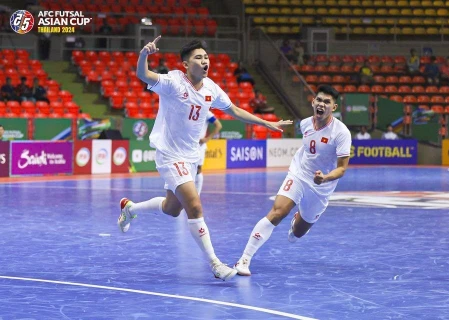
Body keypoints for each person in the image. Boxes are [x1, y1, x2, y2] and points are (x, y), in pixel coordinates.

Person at [117, 37, 292, 281]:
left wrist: (265, 122)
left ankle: (130, 208)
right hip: (169, 154)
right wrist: (144, 54)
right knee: (195, 207)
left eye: (206, 57)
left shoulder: (211, 88)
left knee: (172, 209)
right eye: (198, 58)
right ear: (186, 65)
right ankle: (215, 263)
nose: (204, 61)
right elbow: (144, 75)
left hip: (189, 157)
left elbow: (235, 110)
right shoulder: (173, 82)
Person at [234, 85, 351, 276]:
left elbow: (342, 168)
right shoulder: (305, 124)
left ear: (334, 108)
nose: (321, 104)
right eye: (319, 100)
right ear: (313, 102)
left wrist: (325, 178)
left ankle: (298, 220)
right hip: (299, 174)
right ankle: (244, 259)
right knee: (278, 211)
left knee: (297, 233)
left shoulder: (341, 133)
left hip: (321, 187)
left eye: (327, 102)